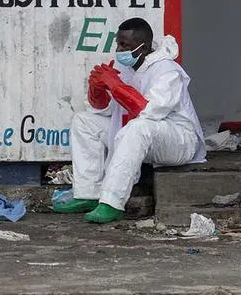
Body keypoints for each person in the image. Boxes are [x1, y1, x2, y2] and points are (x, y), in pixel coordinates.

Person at [58, 18, 206, 223]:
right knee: (84, 121)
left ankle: (112, 202)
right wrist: (97, 87)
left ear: (142, 47)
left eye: (124, 45)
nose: (119, 50)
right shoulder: (127, 67)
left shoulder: (167, 70)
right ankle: (89, 194)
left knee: (138, 127)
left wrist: (116, 85)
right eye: (118, 43)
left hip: (178, 140)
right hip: (142, 134)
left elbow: (149, 111)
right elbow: (103, 109)